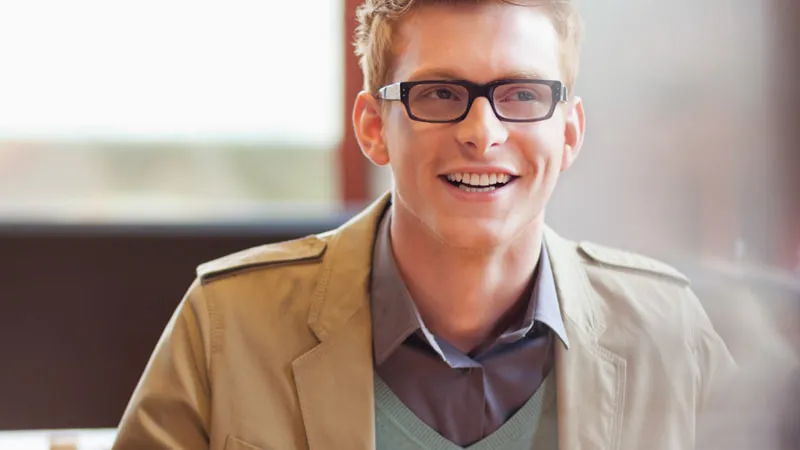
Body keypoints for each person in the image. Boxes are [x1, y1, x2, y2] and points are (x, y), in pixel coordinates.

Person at [112, 0, 736, 449]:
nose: (482, 132)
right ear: (373, 127)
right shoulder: (225, 329)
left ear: (568, 132)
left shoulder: (670, 337)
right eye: (439, 94)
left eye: (521, 95)